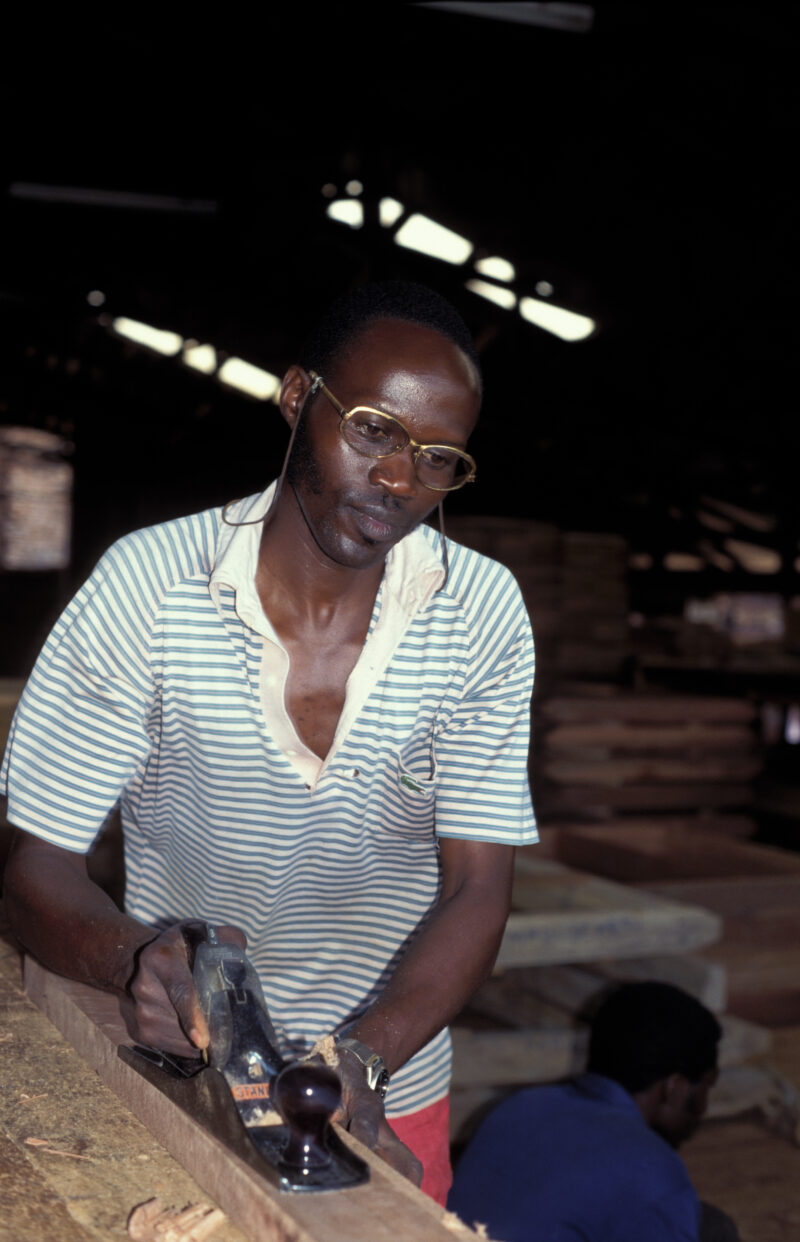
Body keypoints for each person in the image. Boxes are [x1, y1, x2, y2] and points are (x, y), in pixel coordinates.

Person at [1, 281, 537, 1204]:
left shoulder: (480, 613)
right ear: (297, 397)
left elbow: (478, 888)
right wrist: (134, 961)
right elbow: (30, 867)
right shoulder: (149, 588)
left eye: (439, 459)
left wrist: (364, 1058)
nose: (400, 481)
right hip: (182, 1074)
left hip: (386, 1091)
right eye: (374, 431)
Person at [449, 981, 739, 1241]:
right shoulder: (653, 1171)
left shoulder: (518, 1107)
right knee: (715, 1231)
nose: (703, 1108)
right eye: (706, 1086)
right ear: (675, 1088)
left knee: (705, 1222)